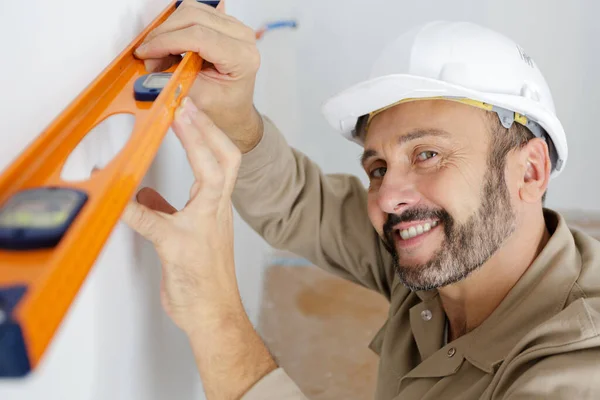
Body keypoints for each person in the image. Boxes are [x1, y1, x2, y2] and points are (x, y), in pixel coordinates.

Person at [122, 0, 600, 399]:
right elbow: (302, 205)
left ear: (530, 171)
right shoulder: (450, 255)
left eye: (428, 154)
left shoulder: (576, 367)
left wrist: (214, 316)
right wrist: (235, 115)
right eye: (377, 168)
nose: (389, 196)